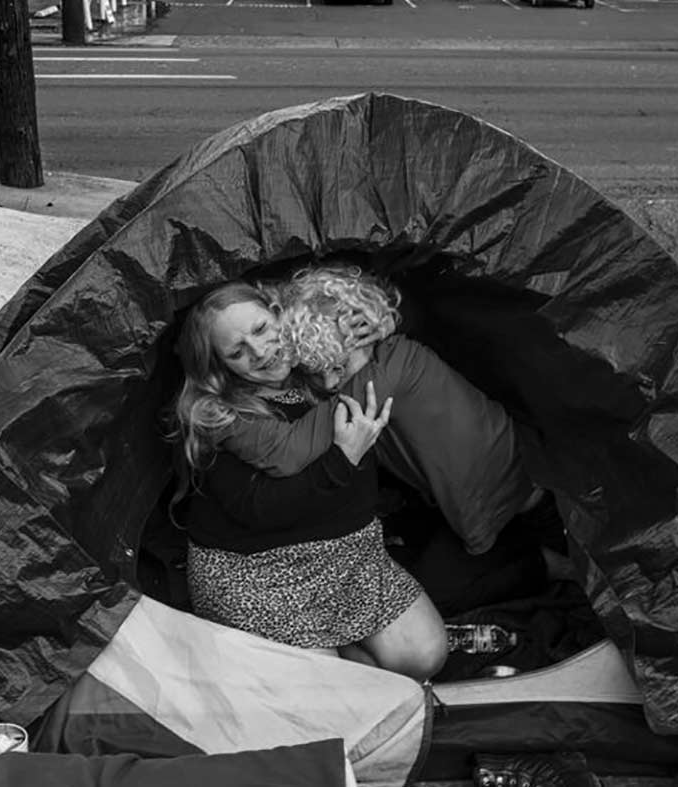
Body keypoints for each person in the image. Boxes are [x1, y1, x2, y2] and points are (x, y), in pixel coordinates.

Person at [171, 282, 449, 682]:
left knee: (425, 656)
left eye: (262, 328)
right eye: (237, 352)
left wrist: (376, 326)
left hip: (349, 557)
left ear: (278, 311)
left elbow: (418, 322)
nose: (261, 351)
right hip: (257, 572)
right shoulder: (218, 414)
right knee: (325, 688)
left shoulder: (313, 355)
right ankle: (333, 656)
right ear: (220, 365)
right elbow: (261, 509)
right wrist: (343, 459)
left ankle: (341, 648)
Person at [220, 264, 542, 558]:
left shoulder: (388, 368)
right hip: (485, 479)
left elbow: (289, 450)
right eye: (316, 371)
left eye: (338, 366)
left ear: (365, 334)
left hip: (511, 489)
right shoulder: (370, 358)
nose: (331, 384)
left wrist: (216, 419)